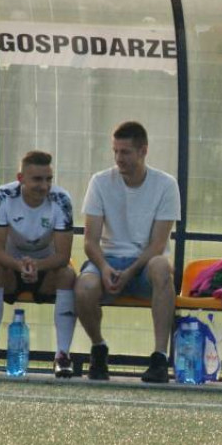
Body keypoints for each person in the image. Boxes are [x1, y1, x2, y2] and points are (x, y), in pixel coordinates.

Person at [74, 121, 180, 383]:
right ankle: (98, 348)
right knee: (84, 287)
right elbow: (90, 241)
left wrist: (131, 271)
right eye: (116, 152)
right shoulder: (100, 182)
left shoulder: (166, 185)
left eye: (126, 152)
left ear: (143, 151)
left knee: (161, 267)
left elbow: (158, 244)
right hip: (107, 260)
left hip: (143, 265)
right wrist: (105, 267)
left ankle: (159, 357)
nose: (119, 158)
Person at [0, 150, 76, 376]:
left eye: (48, 179)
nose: (44, 186)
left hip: (47, 270)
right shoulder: (2, 197)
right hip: (11, 269)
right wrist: (20, 266)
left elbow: (63, 256)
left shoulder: (61, 200)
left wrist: (37, 266)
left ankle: (63, 356)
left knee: (68, 275)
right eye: (37, 179)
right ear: (21, 178)